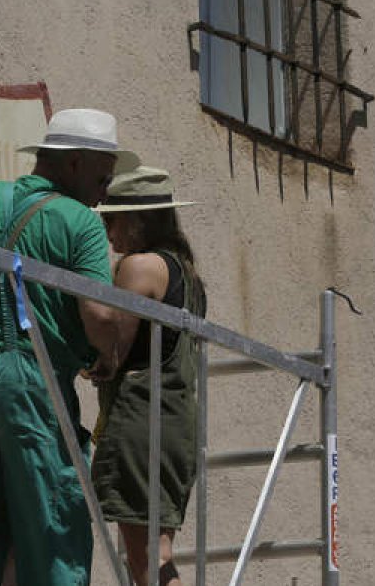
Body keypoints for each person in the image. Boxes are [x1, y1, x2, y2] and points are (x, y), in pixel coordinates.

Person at [0, 108, 139, 586]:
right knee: (53, 531)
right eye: (103, 177)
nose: (105, 192)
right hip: (32, 385)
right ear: (73, 164)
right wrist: (106, 358)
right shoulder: (79, 222)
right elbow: (100, 314)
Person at [87, 167, 207, 586]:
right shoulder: (187, 275)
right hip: (176, 422)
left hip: (142, 420)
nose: (108, 234)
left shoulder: (139, 267)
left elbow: (111, 348)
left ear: (137, 220)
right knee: (158, 553)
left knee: (146, 561)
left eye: (111, 220)